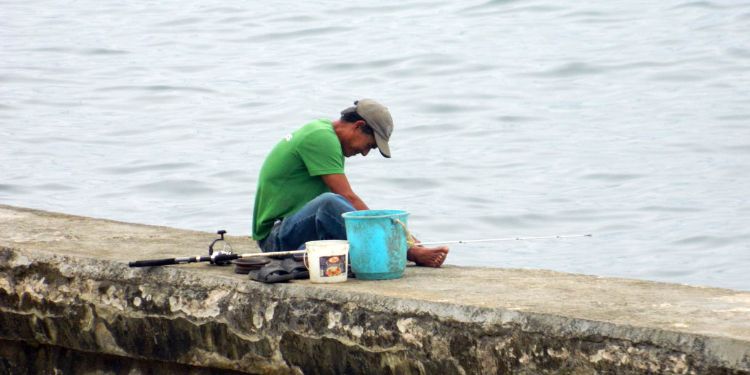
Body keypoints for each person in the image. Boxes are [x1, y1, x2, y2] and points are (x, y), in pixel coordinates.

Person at [251, 99, 449, 267]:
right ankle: (404, 252)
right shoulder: (321, 138)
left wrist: (404, 234)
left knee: (341, 213)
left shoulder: (325, 133)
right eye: (369, 146)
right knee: (329, 202)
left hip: (300, 230)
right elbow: (347, 197)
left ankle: (398, 247)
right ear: (358, 126)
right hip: (276, 239)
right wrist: (404, 242)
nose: (364, 153)